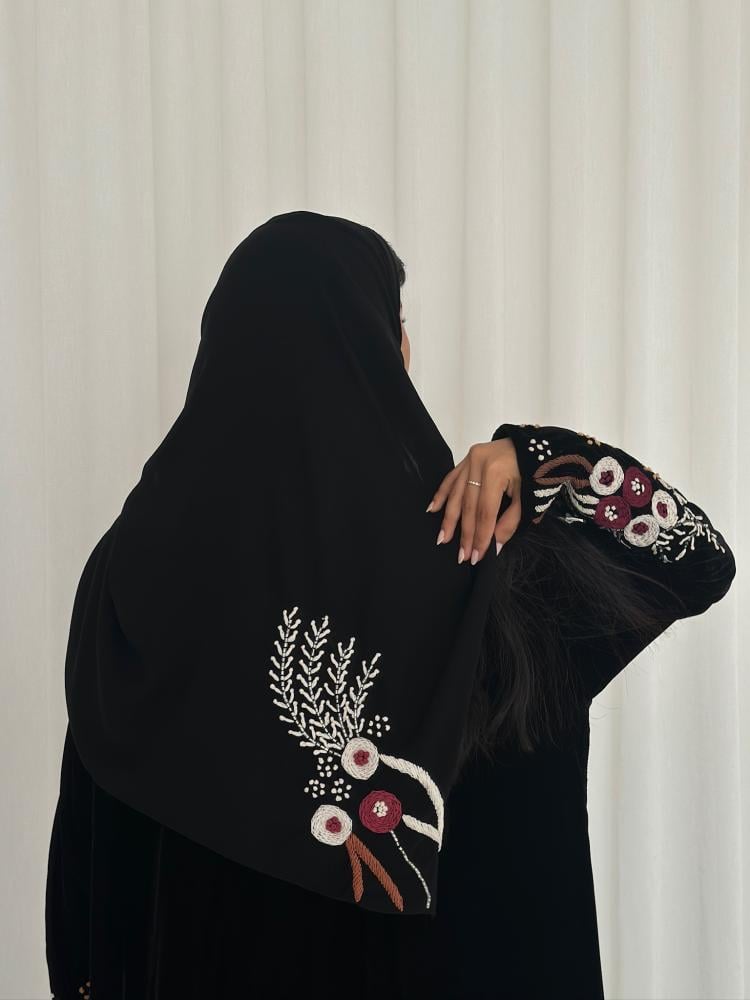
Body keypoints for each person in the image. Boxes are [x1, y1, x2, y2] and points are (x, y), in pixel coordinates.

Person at [46, 210, 736, 999]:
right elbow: (695, 559)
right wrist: (541, 461)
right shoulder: (486, 574)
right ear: (386, 351)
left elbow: (88, 870)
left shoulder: (135, 577)